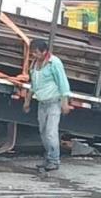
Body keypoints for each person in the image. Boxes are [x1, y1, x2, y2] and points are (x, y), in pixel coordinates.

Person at [23, 39, 71, 171]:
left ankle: (54, 161)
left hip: (54, 102)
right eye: (32, 52)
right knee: (43, 132)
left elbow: (63, 83)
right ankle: (49, 157)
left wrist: (64, 103)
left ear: (44, 52)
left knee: (51, 133)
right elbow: (33, 85)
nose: (34, 55)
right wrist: (27, 101)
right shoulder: (34, 64)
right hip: (42, 103)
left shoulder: (54, 63)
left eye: (37, 53)